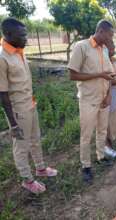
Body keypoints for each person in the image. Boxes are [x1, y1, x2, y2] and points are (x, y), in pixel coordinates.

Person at [0, 18, 57, 194]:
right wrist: (14, 124)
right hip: (18, 110)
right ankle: (27, 179)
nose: (26, 38)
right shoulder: (2, 58)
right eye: (22, 35)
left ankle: (40, 168)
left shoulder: (19, 51)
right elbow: (2, 93)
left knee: (35, 139)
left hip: (30, 104)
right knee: (21, 146)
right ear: (8, 34)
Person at [68, 20, 115, 183]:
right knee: (86, 134)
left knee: (102, 130)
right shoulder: (82, 47)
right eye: (110, 34)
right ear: (101, 31)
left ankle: (101, 156)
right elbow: (72, 74)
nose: (111, 38)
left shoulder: (104, 50)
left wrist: (109, 94)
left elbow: (109, 75)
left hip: (103, 98)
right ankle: (86, 166)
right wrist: (98, 75)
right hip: (88, 100)